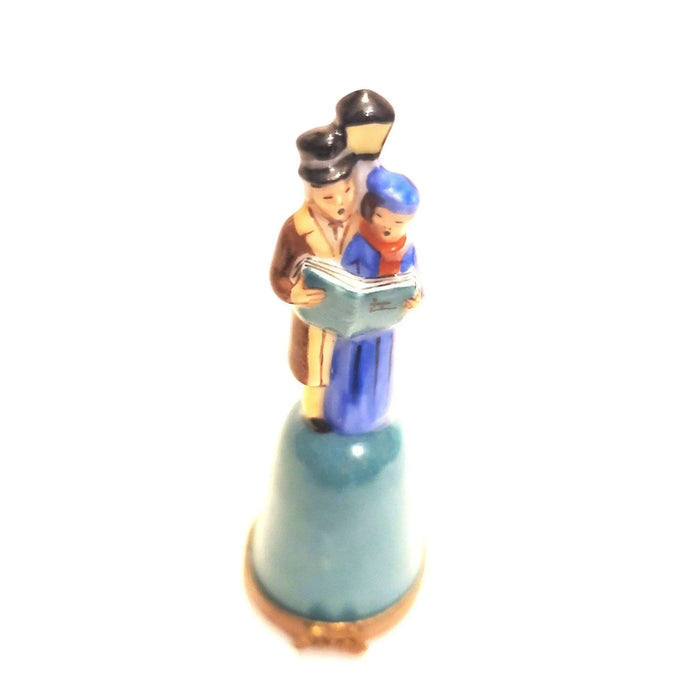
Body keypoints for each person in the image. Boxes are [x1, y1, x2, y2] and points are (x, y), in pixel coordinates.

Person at [269, 124, 360, 431]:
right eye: (328, 196)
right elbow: (278, 273)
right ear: (311, 193)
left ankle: (347, 408)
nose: (341, 202)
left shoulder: (362, 220)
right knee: (316, 371)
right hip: (316, 318)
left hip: (353, 316)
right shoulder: (296, 228)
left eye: (347, 190)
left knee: (348, 366)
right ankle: (314, 415)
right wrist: (292, 292)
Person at [324, 166, 421, 434]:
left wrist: (413, 298)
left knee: (377, 373)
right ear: (370, 212)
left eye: (398, 222)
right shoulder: (360, 243)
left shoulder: (406, 250)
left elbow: (413, 282)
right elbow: (345, 274)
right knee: (347, 371)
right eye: (382, 217)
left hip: (384, 327)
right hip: (354, 328)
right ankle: (340, 418)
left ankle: (373, 418)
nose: (389, 227)